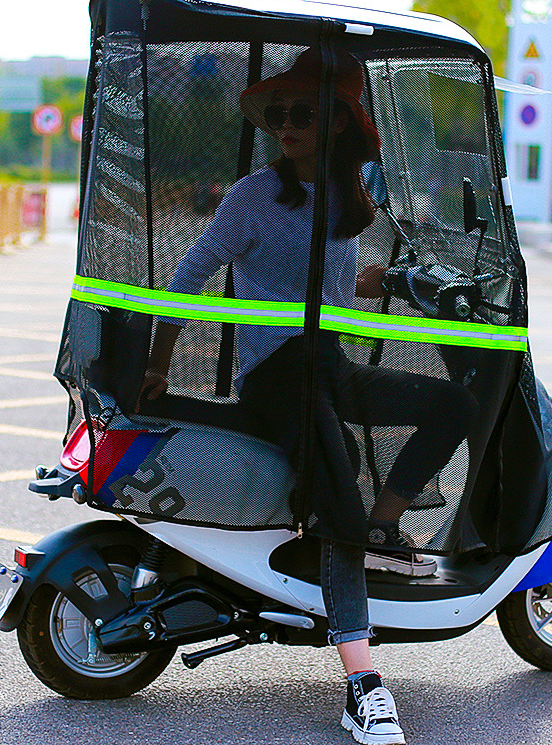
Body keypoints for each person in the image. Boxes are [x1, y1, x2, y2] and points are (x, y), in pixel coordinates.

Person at [140, 47, 475, 745]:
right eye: (281, 114)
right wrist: (159, 362)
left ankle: (383, 525)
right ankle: (362, 684)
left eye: (304, 113)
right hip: (278, 376)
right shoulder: (253, 195)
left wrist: (381, 281)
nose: (287, 125)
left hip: (327, 365)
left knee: (453, 406)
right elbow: (192, 271)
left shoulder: (346, 197)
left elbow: (317, 283)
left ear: (338, 124)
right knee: (337, 503)